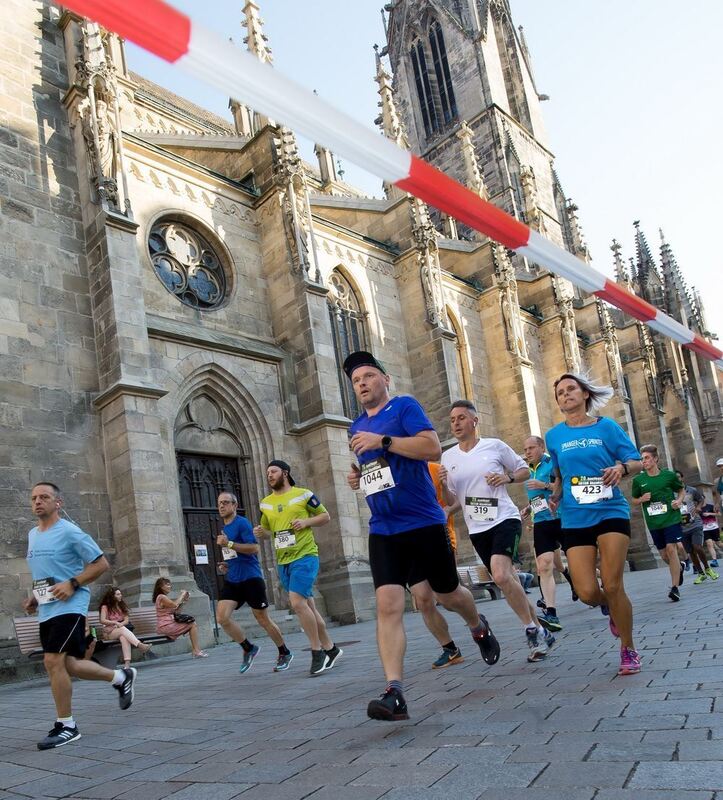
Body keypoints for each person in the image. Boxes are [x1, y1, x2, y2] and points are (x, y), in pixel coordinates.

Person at [344, 351, 500, 722]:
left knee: (448, 594)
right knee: (388, 605)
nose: (362, 383)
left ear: (384, 379)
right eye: (356, 381)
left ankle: (478, 627)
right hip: (384, 527)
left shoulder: (404, 408)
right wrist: (358, 478)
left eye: (368, 376)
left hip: (423, 522)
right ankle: (394, 691)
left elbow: (431, 448)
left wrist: (383, 440)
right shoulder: (354, 428)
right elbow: (376, 470)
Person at [24, 482, 137, 751]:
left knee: (53, 661)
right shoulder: (32, 534)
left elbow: (100, 564)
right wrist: (34, 597)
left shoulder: (70, 531)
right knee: (70, 665)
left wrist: (73, 583)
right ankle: (122, 678)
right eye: (34, 498)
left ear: (57, 502)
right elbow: (47, 572)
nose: (38, 502)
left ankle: (67, 726)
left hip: (70, 606)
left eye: (44, 497)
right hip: (47, 608)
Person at [440, 401, 554, 662]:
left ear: (474, 421)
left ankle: (529, 629)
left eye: (461, 418)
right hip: (477, 528)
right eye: (452, 420)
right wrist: (444, 486)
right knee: (507, 579)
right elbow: (453, 499)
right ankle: (541, 632)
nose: (456, 424)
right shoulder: (448, 457)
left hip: (504, 518)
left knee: (501, 576)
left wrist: (508, 478)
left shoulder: (494, 445)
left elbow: (523, 470)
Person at [545, 373, 643, 676]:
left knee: (613, 583)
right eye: (560, 392)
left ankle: (628, 649)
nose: (565, 395)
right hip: (575, 517)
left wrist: (621, 467)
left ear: (585, 393)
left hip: (610, 511)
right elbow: (559, 475)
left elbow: (636, 460)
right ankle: (610, 607)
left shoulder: (607, 427)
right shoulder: (554, 436)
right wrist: (556, 495)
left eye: (571, 389)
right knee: (587, 592)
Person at [254, 461, 342, 676]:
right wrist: (260, 532)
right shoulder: (265, 503)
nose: (269, 475)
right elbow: (268, 530)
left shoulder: (303, 494)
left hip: (305, 555)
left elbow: (325, 516)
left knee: (297, 602)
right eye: (267, 473)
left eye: (273, 471)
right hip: (283, 560)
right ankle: (331, 649)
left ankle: (317, 651)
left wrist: (306, 522)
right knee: (308, 608)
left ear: (285, 473)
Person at [214, 491, 293, 673]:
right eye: (220, 503)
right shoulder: (224, 528)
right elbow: (235, 553)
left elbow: (254, 548)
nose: (222, 506)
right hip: (234, 578)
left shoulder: (242, 523)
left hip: (251, 578)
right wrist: (227, 564)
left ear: (234, 505)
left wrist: (230, 544)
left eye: (226, 502)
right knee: (222, 617)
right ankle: (249, 648)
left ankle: (284, 652)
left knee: (262, 618)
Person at [412, 461, 464, 670]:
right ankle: (450, 649)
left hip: (439, 539)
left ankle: (476, 623)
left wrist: (447, 510)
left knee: (448, 598)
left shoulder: (434, 468)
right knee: (423, 599)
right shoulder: (390, 469)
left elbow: (457, 500)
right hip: (406, 542)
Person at [521, 434, 576, 632]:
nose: (527, 453)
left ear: (541, 447)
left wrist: (544, 485)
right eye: (525, 450)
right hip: (541, 522)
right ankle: (552, 614)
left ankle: (598, 592)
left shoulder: (551, 463)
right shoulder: (527, 470)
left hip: (561, 519)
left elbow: (563, 487)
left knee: (579, 563)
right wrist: (528, 508)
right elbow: (537, 498)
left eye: (530, 448)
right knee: (544, 566)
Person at [630, 445, 685, 601]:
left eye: (647, 458)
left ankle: (674, 588)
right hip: (654, 522)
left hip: (671, 518)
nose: (644, 461)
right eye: (642, 459)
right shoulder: (639, 480)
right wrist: (641, 499)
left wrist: (679, 501)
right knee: (664, 555)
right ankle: (679, 567)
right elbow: (634, 500)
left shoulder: (668, 476)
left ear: (655, 459)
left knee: (671, 549)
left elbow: (681, 490)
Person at [676, 471, 719, 584]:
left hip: (695, 523)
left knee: (698, 547)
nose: (677, 479)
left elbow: (701, 499)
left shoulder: (691, 490)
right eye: (675, 478)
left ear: (682, 478)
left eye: (678, 477)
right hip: (682, 527)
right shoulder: (671, 493)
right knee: (691, 552)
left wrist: (698, 507)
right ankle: (701, 573)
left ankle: (708, 568)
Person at [152, 578, 208, 657]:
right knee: (192, 624)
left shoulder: (163, 597)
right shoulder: (161, 597)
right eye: (167, 584)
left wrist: (184, 601)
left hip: (168, 624)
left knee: (192, 624)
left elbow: (177, 611)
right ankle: (196, 651)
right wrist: (182, 594)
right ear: (160, 587)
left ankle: (196, 650)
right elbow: (174, 604)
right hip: (165, 626)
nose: (170, 586)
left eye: (170, 584)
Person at [99, 586, 152, 667]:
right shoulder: (105, 607)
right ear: (112, 596)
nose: (121, 596)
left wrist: (121, 624)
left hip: (120, 630)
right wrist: (114, 622)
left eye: (120, 594)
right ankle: (140, 645)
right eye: (118, 594)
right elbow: (102, 620)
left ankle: (127, 665)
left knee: (123, 637)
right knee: (122, 630)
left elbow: (126, 620)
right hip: (109, 632)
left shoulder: (122, 606)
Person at [701, 503, 721, 567]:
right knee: (709, 544)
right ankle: (714, 561)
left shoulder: (711, 506)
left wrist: (709, 513)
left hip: (714, 528)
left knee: (719, 544)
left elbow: (719, 514)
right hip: (705, 529)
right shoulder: (698, 508)